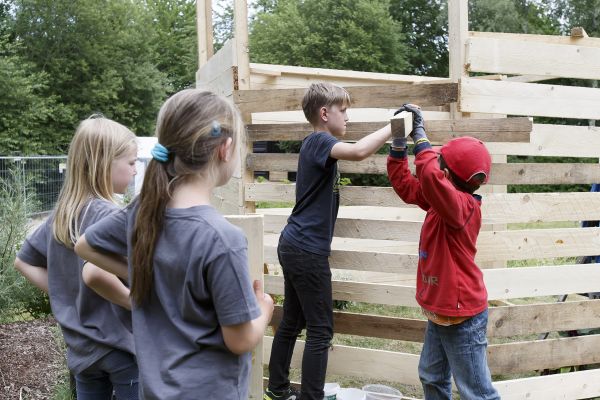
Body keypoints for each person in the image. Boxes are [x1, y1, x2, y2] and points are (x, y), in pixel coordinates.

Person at [74, 89, 274, 400]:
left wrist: (147, 272)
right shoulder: (222, 238)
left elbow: (84, 246)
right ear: (226, 148)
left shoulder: (142, 211)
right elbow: (240, 339)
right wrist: (264, 309)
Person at [265, 82, 393, 400]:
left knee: (293, 321)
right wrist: (394, 126)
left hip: (295, 244)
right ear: (325, 113)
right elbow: (360, 152)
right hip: (306, 250)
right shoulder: (320, 141)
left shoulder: (317, 145)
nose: (347, 117)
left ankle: (277, 390)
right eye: (344, 111)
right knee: (321, 330)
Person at [14, 115, 139, 400]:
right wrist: (134, 301)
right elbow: (97, 274)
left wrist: (64, 291)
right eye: (131, 163)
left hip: (82, 351)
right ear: (104, 163)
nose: (135, 171)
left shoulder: (61, 215)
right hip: (122, 346)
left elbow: (22, 262)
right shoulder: (111, 216)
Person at [386, 104, 500, 400]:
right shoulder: (441, 201)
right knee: (432, 377)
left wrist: (420, 135)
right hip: (441, 309)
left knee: (476, 392)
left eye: (440, 163)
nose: (435, 165)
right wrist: (399, 141)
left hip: (461, 313)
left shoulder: (461, 208)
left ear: (448, 175)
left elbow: (429, 175)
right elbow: (406, 185)